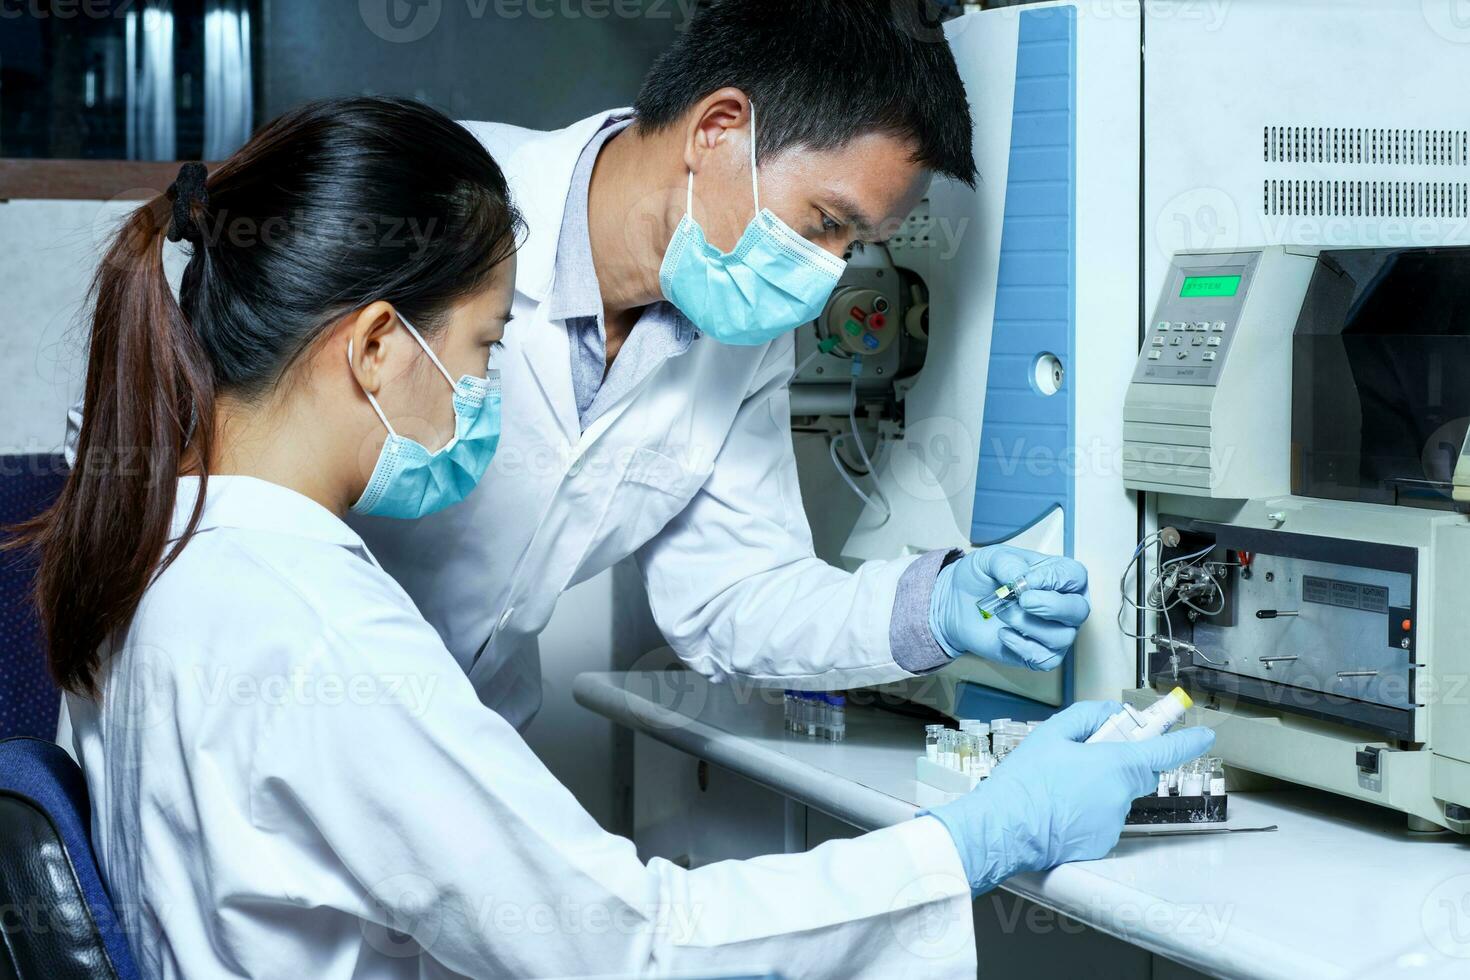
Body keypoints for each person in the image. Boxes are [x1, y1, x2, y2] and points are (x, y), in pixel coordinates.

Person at [15, 95, 1215, 978]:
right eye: (484, 349)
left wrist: (930, 602)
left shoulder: (161, 551)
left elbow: (730, 596)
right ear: (377, 345)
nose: (485, 386)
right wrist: (970, 845)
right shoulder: (316, 625)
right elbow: (632, 944)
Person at [349, 0, 1091, 731]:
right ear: (718, 129)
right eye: (826, 223)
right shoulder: (417, 198)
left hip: (476, 744)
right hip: (290, 724)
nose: (829, 274)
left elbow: (736, 594)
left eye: (854, 246)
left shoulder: (744, 333)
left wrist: (932, 606)